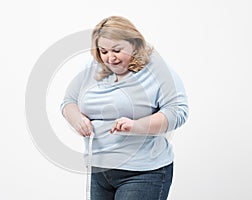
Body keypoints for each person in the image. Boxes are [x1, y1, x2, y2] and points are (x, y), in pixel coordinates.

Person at [61, 16, 188, 200]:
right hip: (99, 172)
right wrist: (77, 120)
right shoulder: (91, 68)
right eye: (103, 51)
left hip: (143, 172)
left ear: (134, 45)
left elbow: (178, 111)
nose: (110, 58)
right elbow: (68, 101)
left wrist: (136, 126)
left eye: (117, 50)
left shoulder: (157, 70)